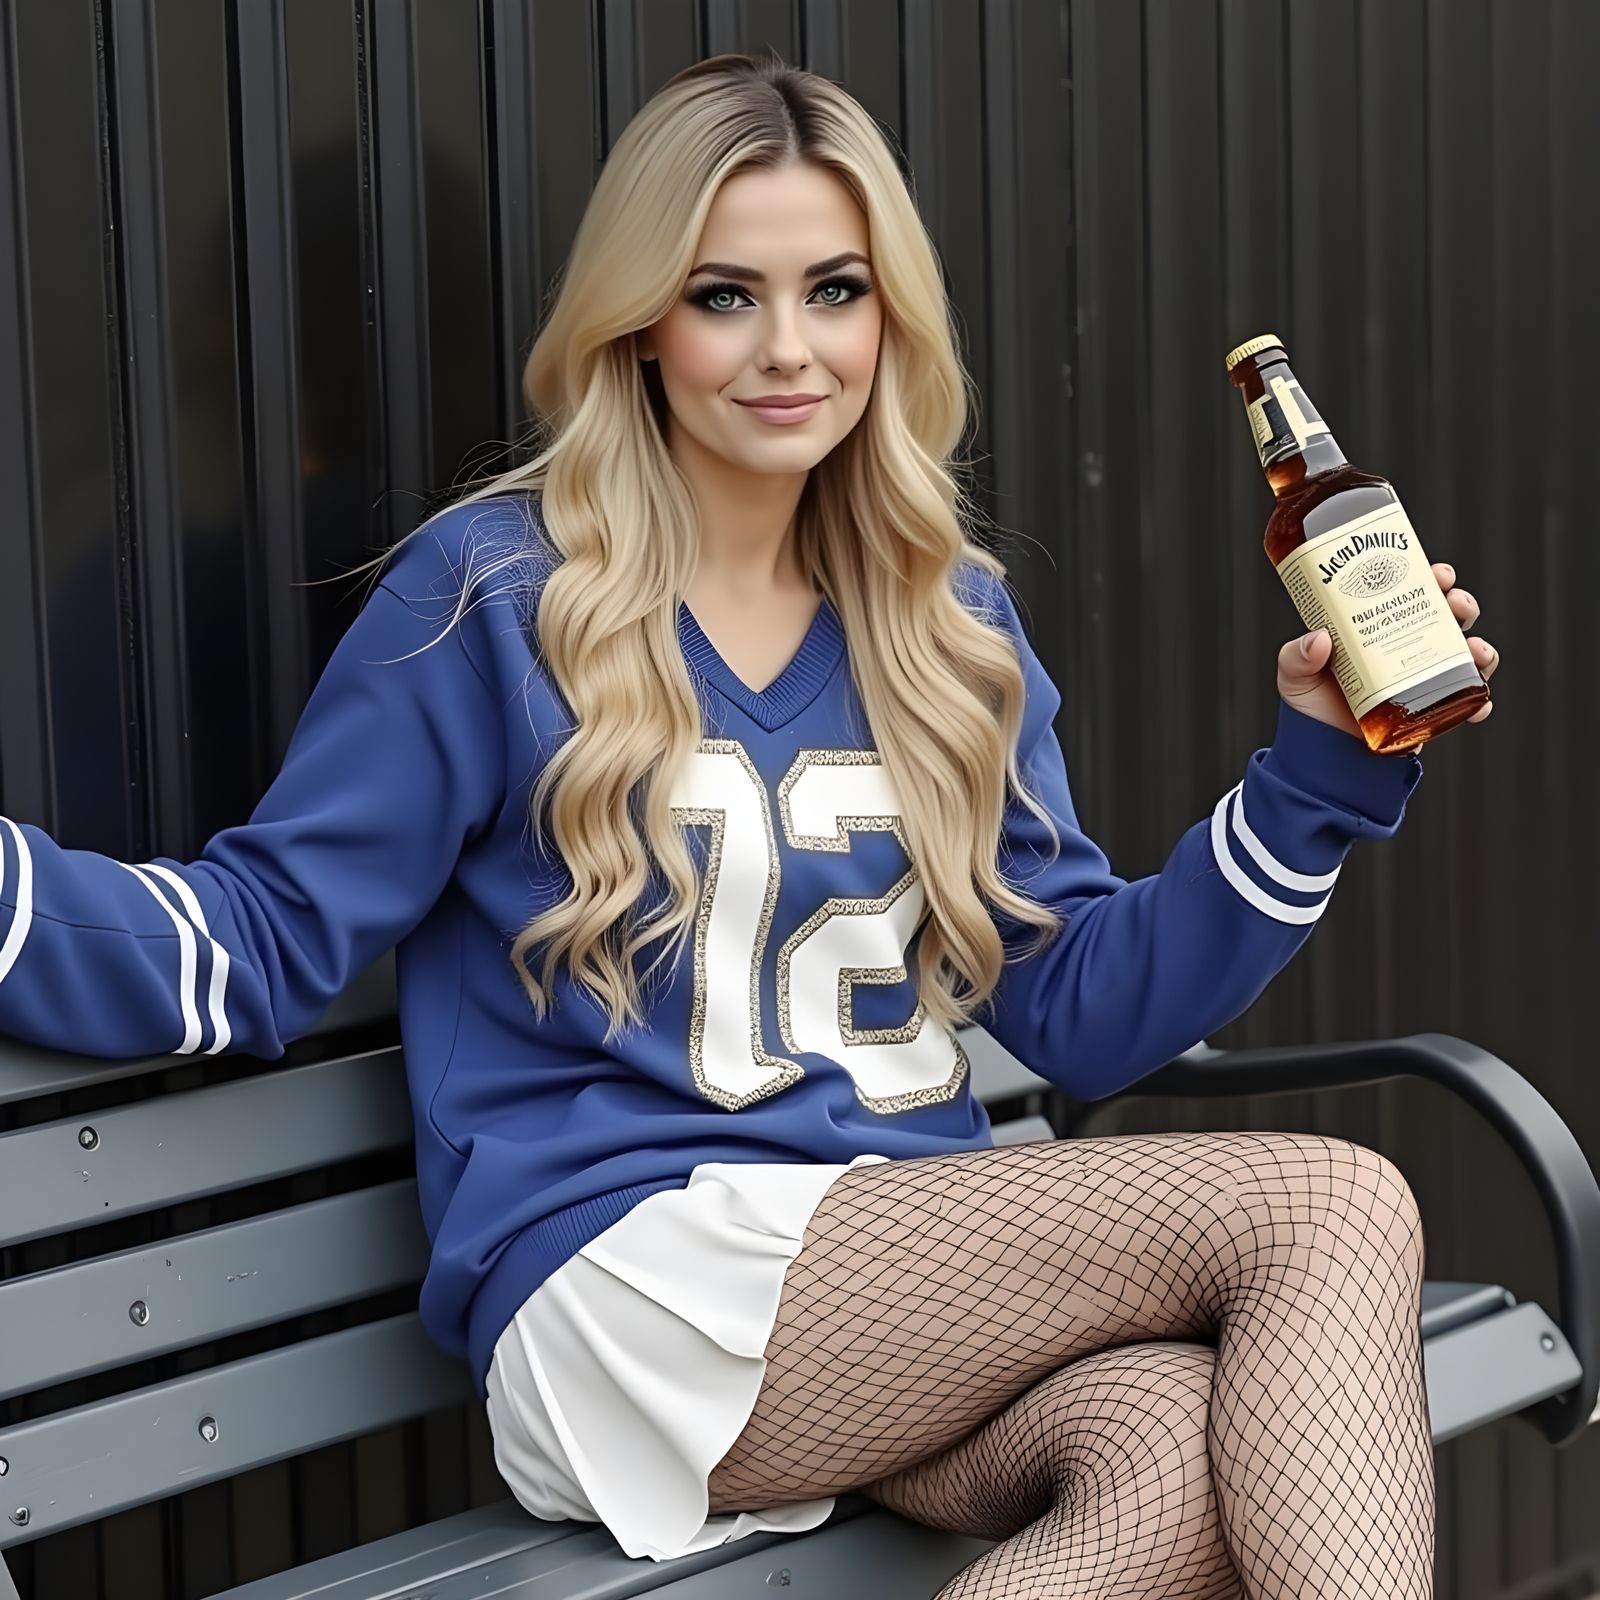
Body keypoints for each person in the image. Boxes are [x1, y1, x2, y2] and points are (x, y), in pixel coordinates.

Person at [0, 47, 1500, 1598]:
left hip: (893, 1273)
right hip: (634, 1275)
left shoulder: (944, 622)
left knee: (1169, 1447)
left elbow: (1080, 1012)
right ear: (640, 323)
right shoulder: (498, 600)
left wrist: (1316, 774)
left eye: (834, 291)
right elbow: (257, 940)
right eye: (726, 295)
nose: (788, 349)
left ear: (890, 319)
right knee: (1332, 1200)